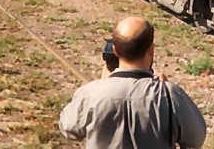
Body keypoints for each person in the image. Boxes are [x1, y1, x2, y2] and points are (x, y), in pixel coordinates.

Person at [59, 17, 206, 148]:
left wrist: (103, 84)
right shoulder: (169, 94)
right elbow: (196, 139)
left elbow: (68, 128)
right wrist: (166, 91)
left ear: (115, 51)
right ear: (151, 50)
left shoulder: (91, 93)